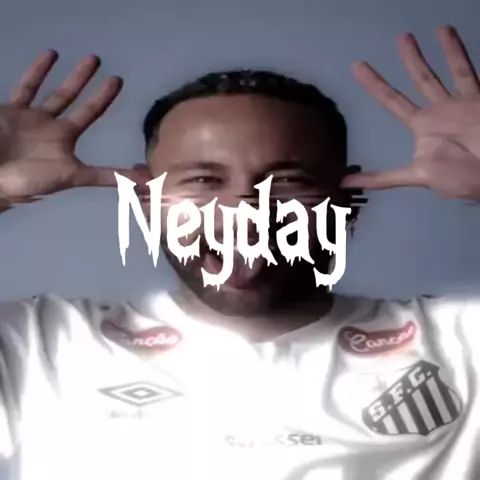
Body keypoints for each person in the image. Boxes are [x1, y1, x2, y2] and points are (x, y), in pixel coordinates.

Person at [0, 23, 479, 480]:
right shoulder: (43, 346)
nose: (245, 212)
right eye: (204, 180)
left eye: (288, 182)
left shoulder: (460, 344)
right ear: (147, 201)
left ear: (347, 201)